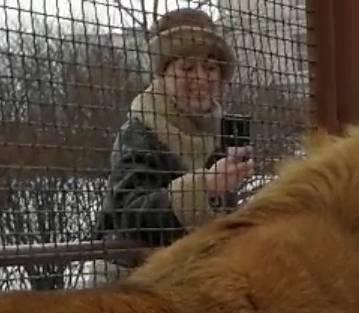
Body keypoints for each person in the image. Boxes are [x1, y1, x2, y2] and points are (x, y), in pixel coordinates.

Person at [98, 8, 256, 266]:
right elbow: (128, 213)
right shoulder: (140, 130)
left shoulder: (220, 133)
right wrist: (206, 186)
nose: (201, 79)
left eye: (210, 67)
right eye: (187, 67)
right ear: (163, 74)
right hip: (135, 281)